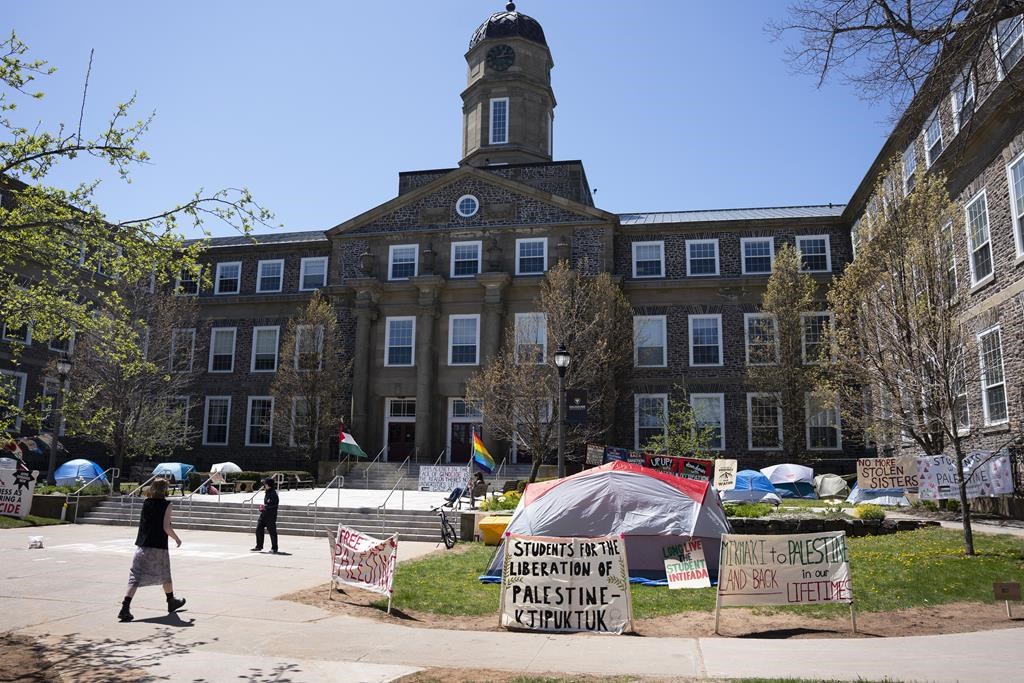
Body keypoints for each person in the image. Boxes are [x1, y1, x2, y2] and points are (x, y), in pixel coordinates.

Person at [118, 478, 185, 622]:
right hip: (158, 548)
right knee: (165, 574)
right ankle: (171, 601)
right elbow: (166, 527)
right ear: (165, 489)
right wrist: (177, 539)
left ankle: (125, 607)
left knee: (135, 576)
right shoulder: (167, 505)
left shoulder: (146, 503)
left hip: (142, 546)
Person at [251, 477, 279, 553]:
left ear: (269, 485)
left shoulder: (274, 494)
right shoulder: (267, 492)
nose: (264, 485)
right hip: (264, 515)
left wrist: (265, 507)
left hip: (270, 516)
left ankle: (274, 548)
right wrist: (263, 508)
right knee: (258, 529)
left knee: (272, 532)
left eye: (265, 484)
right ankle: (259, 546)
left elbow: (274, 505)